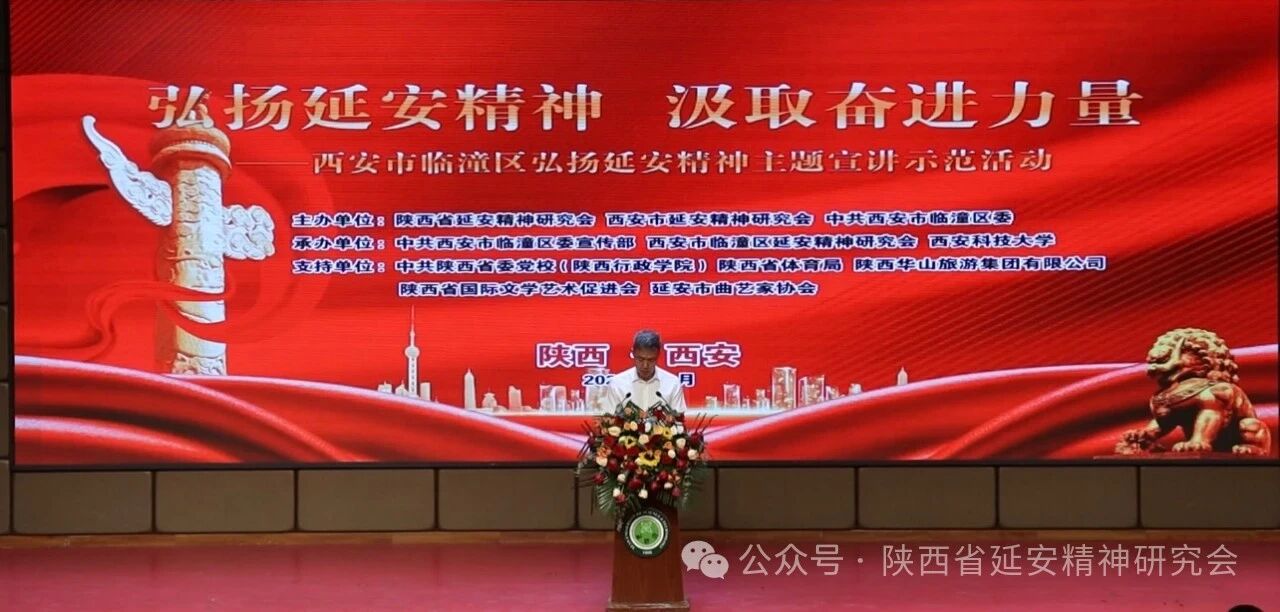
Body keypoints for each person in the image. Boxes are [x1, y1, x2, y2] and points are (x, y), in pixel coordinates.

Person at [604, 329, 688, 412]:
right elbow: (610, 418)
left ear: (658, 355)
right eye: (640, 359)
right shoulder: (617, 383)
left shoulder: (672, 383)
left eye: (651, 360)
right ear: (633, 353)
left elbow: (678, 418)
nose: (645, 365)